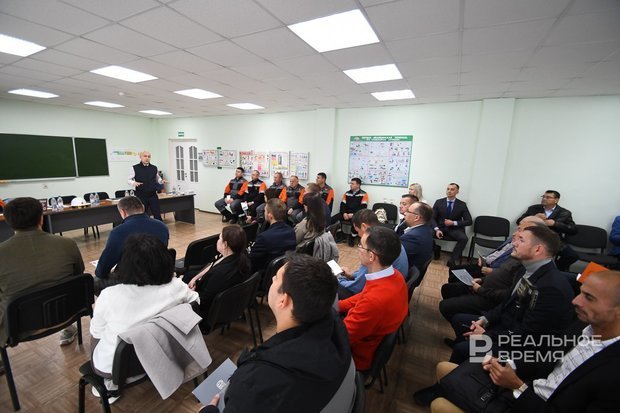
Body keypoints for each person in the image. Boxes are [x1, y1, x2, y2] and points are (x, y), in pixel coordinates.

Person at [424, 270, 620, 412]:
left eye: (589, 298)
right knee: (451, 365)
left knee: (444, 394)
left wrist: (517, 385)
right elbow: (546, 353)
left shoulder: (550, 287)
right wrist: (507, 362)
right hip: (524, 381)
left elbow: (528, 336)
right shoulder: (583, 325)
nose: (575, 301)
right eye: (581, 293)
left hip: (527, 395)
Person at [198, 253, 354, 413]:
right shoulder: (336, 331)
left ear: (283, 301)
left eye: (277, 278)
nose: (272, 278)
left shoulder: (255, 383)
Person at [448, 226, 576, 367]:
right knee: (460, 320)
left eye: (521, 240)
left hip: (518, 350)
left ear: (538, 249)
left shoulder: (550, 289)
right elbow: (507, 303)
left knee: (462, 349)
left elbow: (528, 336)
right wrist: (485, 320)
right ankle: (467, 366)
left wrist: (486, 336)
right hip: (505, 328)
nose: (514, 243)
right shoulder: (525, 269)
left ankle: (467, 372)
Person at [90, 234, 198, 382]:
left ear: (125, 265)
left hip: (117, 367)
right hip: (164, 354)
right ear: (164, 261)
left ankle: (107, 384)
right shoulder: (177, 286)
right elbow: (195, 303)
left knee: (98, 334)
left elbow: (97, 332)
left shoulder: (109, 296)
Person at [0, 197, 84, 349]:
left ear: (8, 221)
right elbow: (79, 273)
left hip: (18, 326)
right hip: (68, 311)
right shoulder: (67, 244)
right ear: (41, 218)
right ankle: (68, 329)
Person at [438, 216, 546, 326]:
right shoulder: (519, 254)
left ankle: (466, 323)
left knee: (448, 307)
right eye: (518, 229)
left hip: (489, 296)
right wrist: (482, 280)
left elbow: (508, 296)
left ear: (537, 247)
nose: (515, 235)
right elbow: (500, 267)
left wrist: (480, 290)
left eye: (521, 235)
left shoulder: (525, 263)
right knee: (448, 288)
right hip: (485, 285)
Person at [339, 226, 409, 371]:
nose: (358, 248)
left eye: (361, 245)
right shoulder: (395, 275)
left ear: (371, 256)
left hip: (356, 357)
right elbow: (363, 296)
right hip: (365, 336)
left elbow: (341, 337)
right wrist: (338, 305)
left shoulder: (374, 301)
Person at [95, 196, 169, 293]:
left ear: (123, 212)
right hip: (158, 273)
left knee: (95, 282)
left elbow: (104, 266)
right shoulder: (162, 226)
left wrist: (100, 273)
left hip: (130, 280)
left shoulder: (118, 232)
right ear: (143, 207)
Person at [338, 209, 409, 299]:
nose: (359, 236)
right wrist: (352, 275)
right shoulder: (387, 236)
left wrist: (339, 279)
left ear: (364, 226)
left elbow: (356, 288)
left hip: (378, 293)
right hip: (392, 287)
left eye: (358, 231)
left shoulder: (373, 249)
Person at [187, 225, 250, 322]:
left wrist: (191, 293)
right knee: (190, 275)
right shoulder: (241, 257)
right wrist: (195, 278)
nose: (217, 241)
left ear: (225, 244)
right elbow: (213, 264)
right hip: (231, 305)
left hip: (208, 314)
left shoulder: (219, 274)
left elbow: (203, 301)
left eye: (219, 238)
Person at [517, 190, 578, 270]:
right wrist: (534, 217)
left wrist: (555, 224)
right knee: (525, 253)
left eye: (548, 197)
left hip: (553, 240)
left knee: (572, 255)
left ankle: (557, 270)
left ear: (556, 200)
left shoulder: (564, 212)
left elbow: (573, 229)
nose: (544, 199)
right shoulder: (534, 209)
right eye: (543, 197)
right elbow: (519, 221)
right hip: (533, 237)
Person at [431, 183, 473, 268]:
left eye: (452, 189)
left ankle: (452, 260)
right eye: (448, 189)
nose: (449, 191)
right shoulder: (439, 202)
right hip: (440, 227)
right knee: (425, 232)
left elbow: (469, 221)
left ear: (457, 192)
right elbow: (432, 218)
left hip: (454, 229)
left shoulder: (462, 204)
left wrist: (453, 223)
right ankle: (435, 249)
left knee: (464, 238)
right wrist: (437, 229)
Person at [249, 199, 296, 273]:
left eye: (265, 211)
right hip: (286, 271)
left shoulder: (264, 237)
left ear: (270, 215)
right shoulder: (291, 231)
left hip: (266, 275)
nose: (264, 213)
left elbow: (252, 260)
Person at [128, 150, 166, 221]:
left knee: (157, 214)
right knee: (142, 214)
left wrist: (161, 181)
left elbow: (157, 177)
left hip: (153, 195)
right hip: (141, 195)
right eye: (145, 156)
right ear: (140, 157)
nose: (147, 158)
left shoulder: (154, 168)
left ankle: (159, 227)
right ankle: (143, 227)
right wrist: (133, 183)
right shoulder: (134, 168)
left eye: (149, 156)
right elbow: (129, 180)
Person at [331, 177, 369, 246]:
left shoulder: (364, 194)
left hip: (356, 214)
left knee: (355, 222)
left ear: (358, 185)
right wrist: (344, 213)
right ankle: (341, 235)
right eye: (351, 183)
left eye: (353, 184)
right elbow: (342, 205)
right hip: (346, 213)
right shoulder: (347, 193)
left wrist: (353, 214)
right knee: (332, 219)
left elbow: (363, 207)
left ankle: (352, 238)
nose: (351, 185)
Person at [401, 202, 434, 273]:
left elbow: (393, 256)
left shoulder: (412, 237)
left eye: (408, 211)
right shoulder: (426, 230)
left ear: (416, 218)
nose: (405, 213)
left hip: (404, 272)